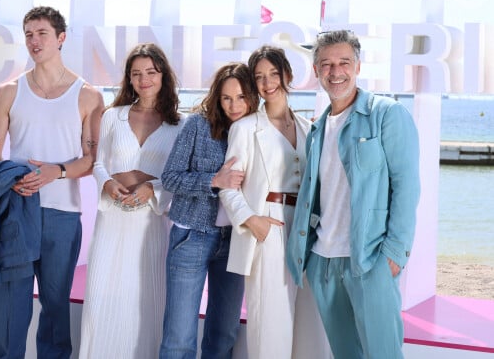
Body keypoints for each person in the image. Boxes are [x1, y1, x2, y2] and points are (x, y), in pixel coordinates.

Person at [287, 30, 421, 358]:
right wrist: (309, 260)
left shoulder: (387, 114)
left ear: (358, 66)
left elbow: (407, 186)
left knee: (383, 353)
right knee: (345, 353)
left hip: (371, 258)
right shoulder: (316, 130)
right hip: (323, 260)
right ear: (316, 71)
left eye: (344, 62)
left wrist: (394, 253)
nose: (336, 72)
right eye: (327, 64)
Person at [0, 6, 104, 358]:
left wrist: (58, 171)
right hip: (16, 212)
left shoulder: (88, 96)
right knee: (9, 310)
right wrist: (10, 178)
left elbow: (90, 160)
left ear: (61, 38)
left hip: (62, 216)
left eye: (42, 33)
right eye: (29, 35)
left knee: (55, 309)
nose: (34, 41)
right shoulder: (7, 92)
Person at [219, 46, 331, 359]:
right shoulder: (244, 129)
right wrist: (252, 221)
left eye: (273, 74)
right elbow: (229, 187)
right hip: (268, 228)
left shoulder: (310, 130)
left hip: (307, 231)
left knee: (309, 325)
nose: (268, 83)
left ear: (288, 75)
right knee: (271, 324)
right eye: (259, 77)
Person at [79, 43, 185, 358]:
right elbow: (98, 163)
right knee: (101, 294)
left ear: (163, 75)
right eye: (136, 73)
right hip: (112, 219)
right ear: (129, 78)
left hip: (150, 225)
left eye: (151, 72)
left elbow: (179, 176)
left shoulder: (181, 126)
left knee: (145, 299)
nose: (144, 79)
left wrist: (152, 188)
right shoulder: (113, 115)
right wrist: (108, 183)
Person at [159, 63, 258, 359]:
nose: (234, 105)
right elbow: (170, 177)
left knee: (224, 332)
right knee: (179, 336)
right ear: (217, 97)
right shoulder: (198, 126)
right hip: (192, 236)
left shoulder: (258, 131)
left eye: (241, 97)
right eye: (227, 98)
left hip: (235, 241)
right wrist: (213, 181)